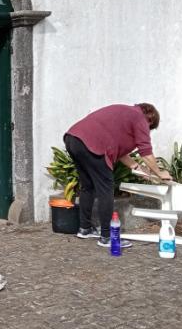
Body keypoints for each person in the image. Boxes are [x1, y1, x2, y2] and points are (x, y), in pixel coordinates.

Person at [63, 103, 172, 249]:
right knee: (106, 189)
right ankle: (107, 237)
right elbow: (145, 151)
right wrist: (160, 173)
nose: (147, 131)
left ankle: (85, 228)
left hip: (73, 138)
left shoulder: (125, 113)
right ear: (150, 120)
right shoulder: (141, 118)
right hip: (92, 144)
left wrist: (137, 167)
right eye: (149, 128)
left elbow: (120, 152)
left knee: (87, 186)